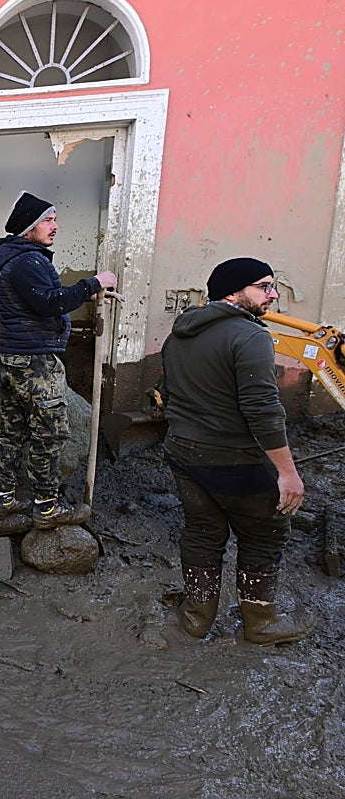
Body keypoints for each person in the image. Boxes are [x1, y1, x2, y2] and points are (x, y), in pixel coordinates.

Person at [160, 257, 316, 645]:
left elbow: (169, 393)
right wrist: (288, 473)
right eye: (264, 286)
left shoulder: (178, 333)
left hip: (182, 451)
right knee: (264, 533)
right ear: (233, 291)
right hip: (232, 459)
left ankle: (197, 618)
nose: (274, 294)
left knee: (201, 532)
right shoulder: (250, 337)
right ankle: (260, 623)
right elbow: (263, 409)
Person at [0, 191, 119, 531]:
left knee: (13, 429)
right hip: (34, 363)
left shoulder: (20, 258)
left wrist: (86, 294)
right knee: (49, 433)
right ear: (29, 227)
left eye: (55, 218)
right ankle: (46, 507)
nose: (55, 226)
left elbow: (42, 299)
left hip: (17, 358)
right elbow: (48, 302)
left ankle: (3, 499)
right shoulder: (27, 261)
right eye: (48, 219)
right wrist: (93, 281)